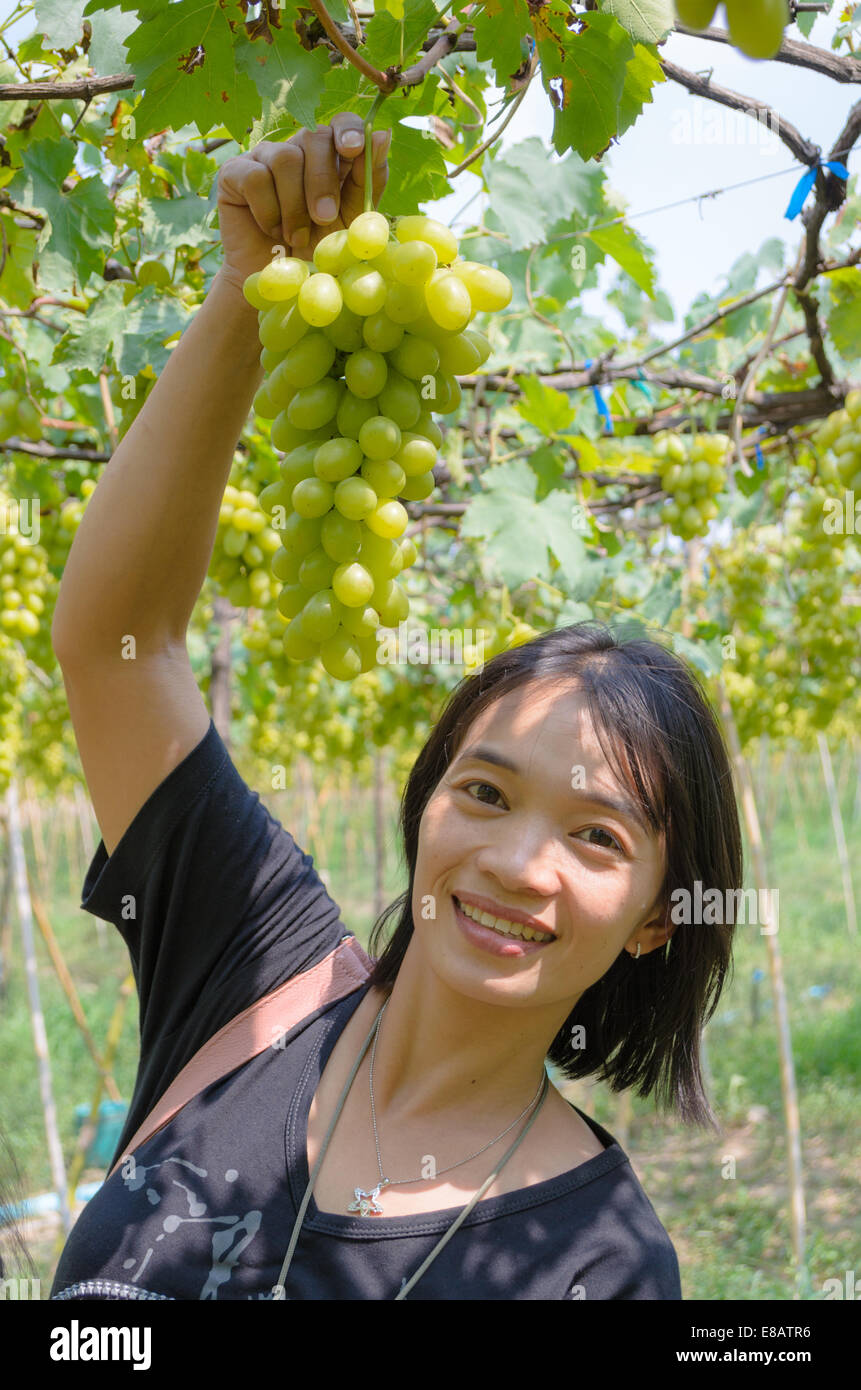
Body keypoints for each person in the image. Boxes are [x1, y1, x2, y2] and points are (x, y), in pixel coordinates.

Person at [47, 116, 741, 1300]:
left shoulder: (601, 1268)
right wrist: (247, 295)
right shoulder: (259, 966)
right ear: (424, 812)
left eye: (596, 835)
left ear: (654, 920)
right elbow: (119, 651)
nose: (518, 861)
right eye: (484, 790)